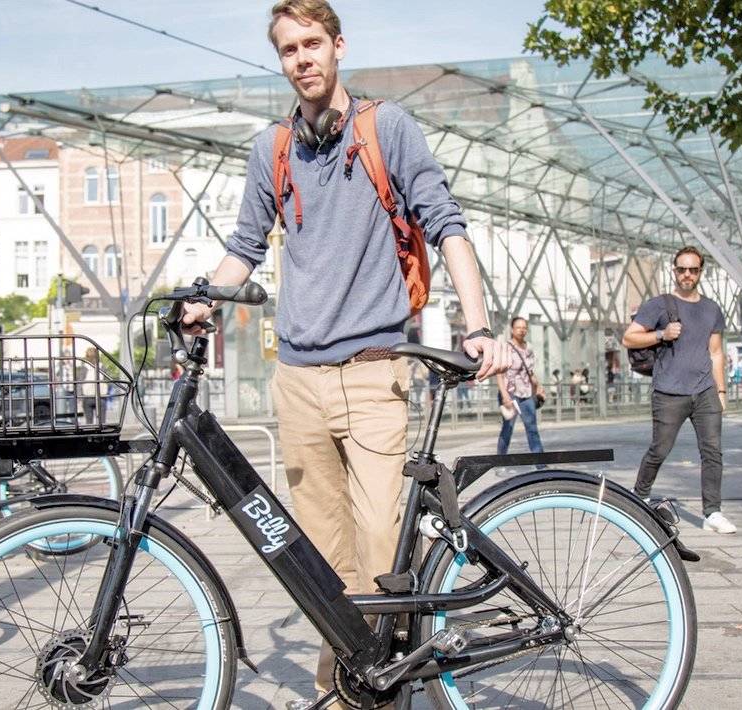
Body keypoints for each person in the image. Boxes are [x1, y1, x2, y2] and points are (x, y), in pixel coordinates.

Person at [179, 2, 508, 705]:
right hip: (297, 383)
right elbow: (244, 247)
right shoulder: (271, 149)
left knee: (380, 546)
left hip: (373, 374)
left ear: (338, 47)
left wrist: (478, 327)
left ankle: (393, 674)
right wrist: (202, 295)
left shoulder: (386, 128)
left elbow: (447, 225)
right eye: (288, 49)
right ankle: (352, 686)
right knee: (319, 564)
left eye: (312, 44)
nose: (302, 58)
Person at [622, 246, 735, 534]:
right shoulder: (659, 304)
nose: (687, 274)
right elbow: (629, 338)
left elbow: (716, 353)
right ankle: (640, 495)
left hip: (705, 390)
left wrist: (721, 392)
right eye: (682, 269)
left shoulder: (711, 309)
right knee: (660, 449)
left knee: (713, 452)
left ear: (700, 272)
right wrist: (661, 333)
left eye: (693, 270)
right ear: (674, 270)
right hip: (669, 392)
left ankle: (713, 513)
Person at [496, 316, 546, 456]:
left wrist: (539, 388)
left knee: (532, 429)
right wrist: (505, 395)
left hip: (526, 394)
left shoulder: (528, 348)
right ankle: (500, 460)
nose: (522, 330)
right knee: (508, 428)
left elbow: (529, 372)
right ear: (512, 330)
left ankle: (540, 464)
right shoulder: (505, 347)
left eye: (524, 328)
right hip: (510, 393)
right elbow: (499, 373)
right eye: (518, 327)